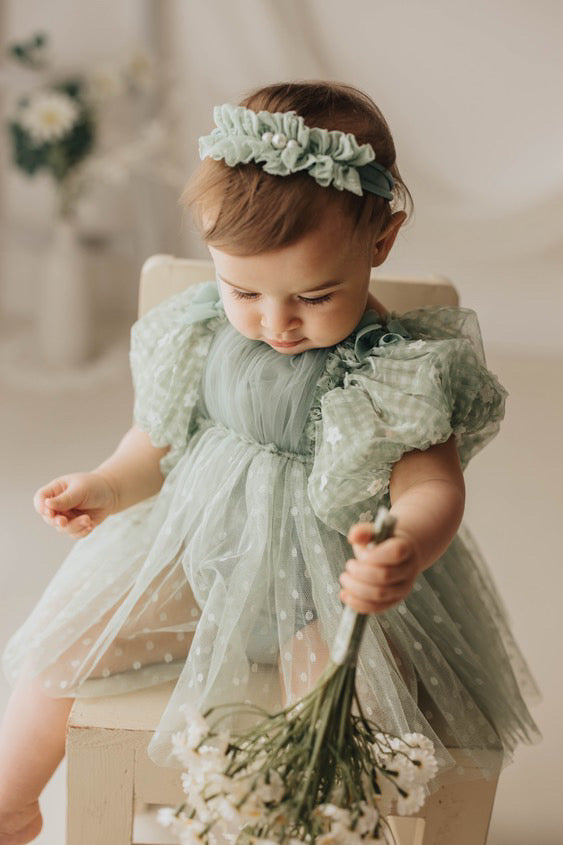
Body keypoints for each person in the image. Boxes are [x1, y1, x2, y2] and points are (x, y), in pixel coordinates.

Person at [0, 80, 542, 843]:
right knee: (64, 639)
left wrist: (406, 545)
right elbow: (154, 441)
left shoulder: (400, 369)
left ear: (379, 242)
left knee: (321, 723)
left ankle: (289, 825)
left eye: (316, 296)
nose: (276, 323)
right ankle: (11, 799)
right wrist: (106, 484)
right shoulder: (195, 329)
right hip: (196, 558)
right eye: (243, 290)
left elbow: (430, 482)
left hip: (327, 592)